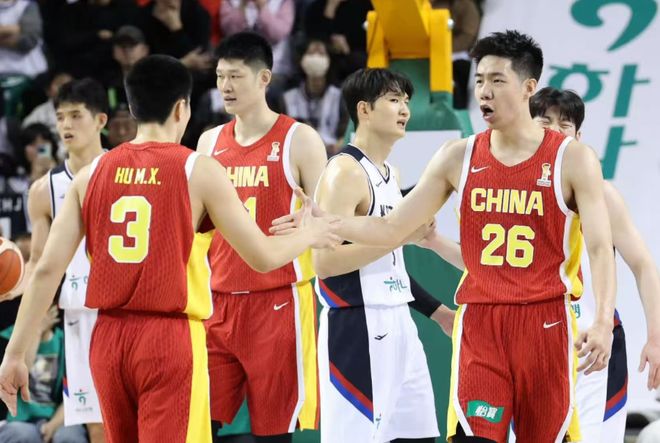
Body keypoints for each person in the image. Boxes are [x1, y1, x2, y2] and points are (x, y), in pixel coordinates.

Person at [274, 30, 617, 443]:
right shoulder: (458, 155)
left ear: (529, 87)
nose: (484, 91)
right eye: (479, 80)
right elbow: (391, 227)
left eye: (497, 80)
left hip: (545, 322)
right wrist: (328, 222)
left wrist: (603, 322)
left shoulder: (573, 159)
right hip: (481, 324)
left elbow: (601, 248)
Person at [0, 54, 339, 442]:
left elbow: (46, 270)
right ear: (182, 109)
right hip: (167, 339)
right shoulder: (198, 169)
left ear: (131, 108)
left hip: (107, 339)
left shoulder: (91, 174)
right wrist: (310, 234)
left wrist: (15, 353)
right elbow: (262, 257)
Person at [195, 31, 328, 442]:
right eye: (220, 76)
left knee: (274, 433)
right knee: (199, 425)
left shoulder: (299, 139)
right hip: (217, 302)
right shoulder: (208, 141)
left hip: (278, 301)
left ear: (264, 78)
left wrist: (312, 221)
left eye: (235, 76)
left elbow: (330, 224)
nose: (225, 86)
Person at [310, 67, 453, 443]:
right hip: (357, 323)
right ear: (364, 110)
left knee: (417, 437)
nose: (404, 108)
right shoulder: (344, 172)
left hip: (398, 320)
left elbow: (389, 264)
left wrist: (438, 313)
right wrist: (398, 236)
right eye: (393, 100)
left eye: (406, 100)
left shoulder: (391, 172)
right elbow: (324, 264)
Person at [528, 87, 660, 442]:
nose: (554, 131)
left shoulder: (602, 194)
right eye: (544, 122)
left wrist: (656, 336)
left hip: (593, 351)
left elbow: (643, 265)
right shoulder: (512, 192)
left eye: (564, 125)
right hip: (531, 347)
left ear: (578, 137)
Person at [2, 78, 109, 442]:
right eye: (61, 116)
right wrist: (16, 288)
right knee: (98, 426)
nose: (66, 125)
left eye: (76, 115)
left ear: (100, 120)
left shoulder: (127, 171)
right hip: (79, 312)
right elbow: (38, 262)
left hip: (125, 309)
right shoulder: (42, 190)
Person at [0, 305, 89, 443]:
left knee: (69, 436)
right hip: (19, 420)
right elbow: (15, 379)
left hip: (58, 418)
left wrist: (53, 425)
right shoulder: (10, 339)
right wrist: (37, 331)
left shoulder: (67, 342)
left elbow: (74, 392)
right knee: (21, 435)